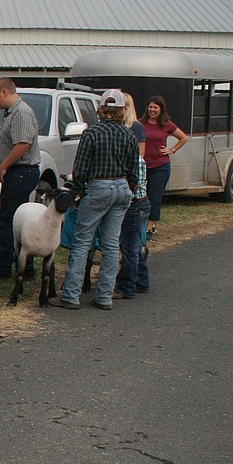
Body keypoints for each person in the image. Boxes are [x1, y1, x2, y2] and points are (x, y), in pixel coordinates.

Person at [49, 90, 139, 310]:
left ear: (101, 109)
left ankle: (70, 295)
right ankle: (105, 296)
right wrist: (129, 186)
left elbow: (80, 169)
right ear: (121, 110)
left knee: (82, 242)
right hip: (122, 187)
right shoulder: (129, 135)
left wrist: (78, 192)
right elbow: (134, 170)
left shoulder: (91, 133)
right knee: (110, 243)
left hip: (98, 186)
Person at [0, 77, 41, 280]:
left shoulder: (21, 113)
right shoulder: (10, 114)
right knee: (16, 220)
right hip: (18, 171)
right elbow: (3, 143)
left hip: (21, 171)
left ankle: (3, 268)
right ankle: (25, 267)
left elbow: (22, 144)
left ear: (4, 92)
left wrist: (4, 166)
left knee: (8, 220)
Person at [114, 93, 150, 299]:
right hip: (139, 203)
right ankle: (141, 281)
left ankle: (126, 287)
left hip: (136, 204)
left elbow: (133, 183)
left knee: (129, 246)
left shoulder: (134, 161)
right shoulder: (133, 160)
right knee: (133, 245)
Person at [142, 95, 189, 239]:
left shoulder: (166, 124)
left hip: (160, 166)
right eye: (150, 107)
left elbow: (184, 138)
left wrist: (171, 150)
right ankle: (140, 224)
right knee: (142, 197)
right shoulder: (140, 123)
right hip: (143, 166)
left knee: (154, 197)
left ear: (161, 109)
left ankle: (150, 227)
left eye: (155, 107)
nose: (152, 110)